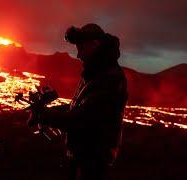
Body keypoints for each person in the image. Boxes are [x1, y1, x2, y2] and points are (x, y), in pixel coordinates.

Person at [28, 23, 128, 180]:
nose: (78, 55)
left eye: (81, 48)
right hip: (82, 156)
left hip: (93, 160)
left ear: (94, 45)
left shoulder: (110, 77)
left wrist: (45, 115)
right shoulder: (94, 73)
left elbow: (84, 118)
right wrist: (50, 111)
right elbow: (79, 107)